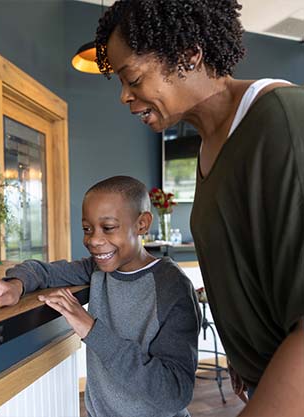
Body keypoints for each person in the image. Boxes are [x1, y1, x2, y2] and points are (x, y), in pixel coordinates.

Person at [94, 1, 304, 416]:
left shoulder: (281, 123)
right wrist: (245, 353)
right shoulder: (211, 146)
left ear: (190, 55)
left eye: (132, 77)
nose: (123, 96)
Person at [0, 176, 201, 417]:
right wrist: (15, 286)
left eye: (108, 228)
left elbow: (174, 393)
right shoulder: (96, 269)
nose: (94, 240)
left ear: (142, 224)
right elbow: (42, 270)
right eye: (87, 229)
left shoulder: (173, 288)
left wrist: (92, 330)